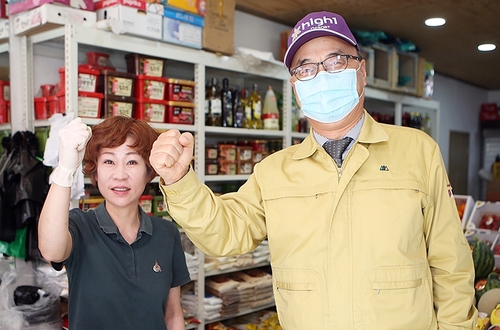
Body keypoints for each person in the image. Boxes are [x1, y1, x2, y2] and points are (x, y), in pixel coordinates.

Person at [149, 11, 478, 330]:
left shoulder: (418, 151)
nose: (322, 77)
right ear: (295, 88)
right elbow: (224, 234)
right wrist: (180, 180)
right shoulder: (273, 171)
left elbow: (450, 263)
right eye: (305, 69)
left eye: (335, 61)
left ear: (361, 72)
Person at [38, 115, 190, 330]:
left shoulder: (167, 233)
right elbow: (52, 251)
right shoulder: (80, 225)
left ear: (149, 173)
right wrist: (65, 169)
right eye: (109, 161)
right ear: (96, 172)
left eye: (132, 161)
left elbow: (173, 314)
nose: (120, 175)